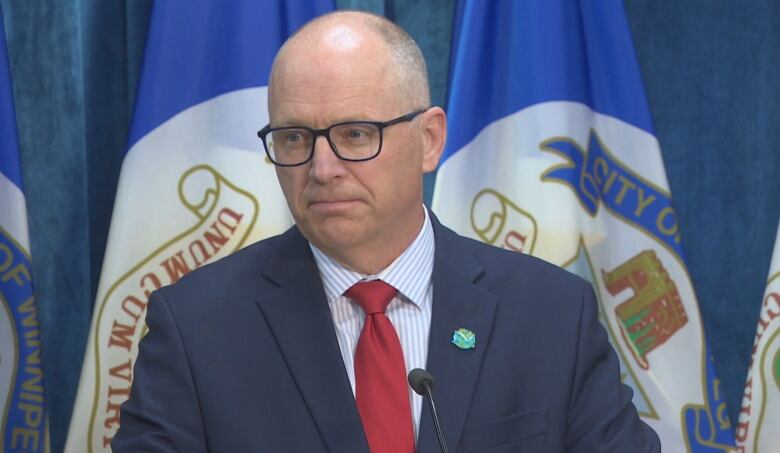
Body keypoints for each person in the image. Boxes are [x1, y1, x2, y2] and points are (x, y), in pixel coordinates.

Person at [113, 10, 660, 453]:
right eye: (295, 139)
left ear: (429, 139)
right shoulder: (196, 328)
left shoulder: (552, 315)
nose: (322, 168)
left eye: (355, 134)